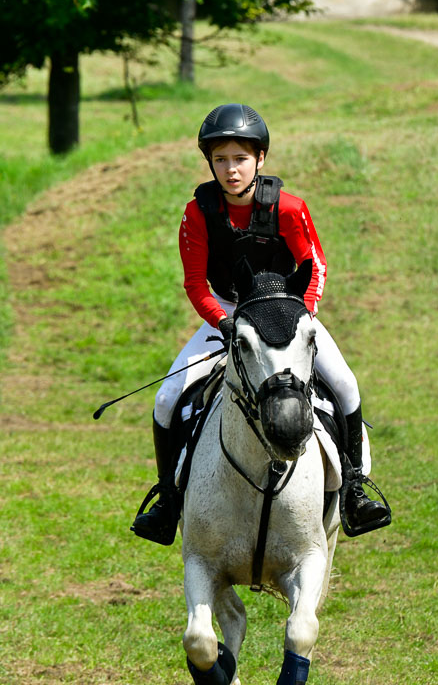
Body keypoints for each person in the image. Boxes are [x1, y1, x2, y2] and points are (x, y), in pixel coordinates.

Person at [131, 103, 389, 546]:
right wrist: (224, 323)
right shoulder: (197, 215)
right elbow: (195, 284)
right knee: (167, 396)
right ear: (210, 163)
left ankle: (355, 490)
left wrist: (301, 314)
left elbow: (316, 266)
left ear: (261, 159)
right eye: (221, 160)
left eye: (240, 159)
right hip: (229, 312)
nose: (231, 170)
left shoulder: (289, 209)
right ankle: (168, 502)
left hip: (288, 311)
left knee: (345, 385)